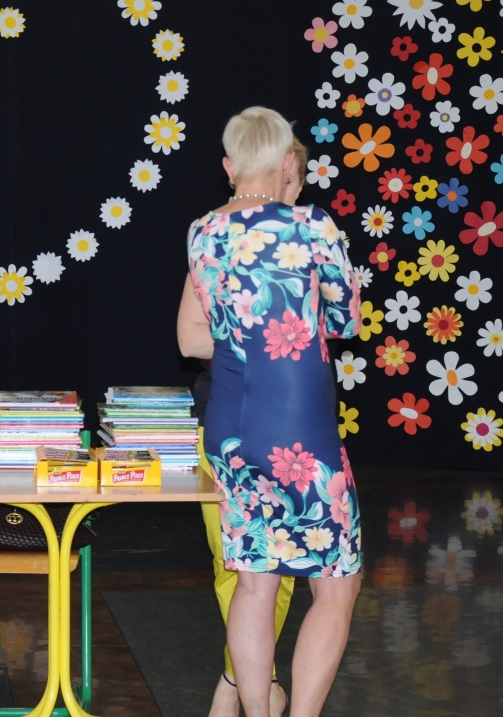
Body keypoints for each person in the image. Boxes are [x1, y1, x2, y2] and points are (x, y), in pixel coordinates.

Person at [179, 107, 362, 717]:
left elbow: (201, 331)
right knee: (335, 585)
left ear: (230, 166)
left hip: (229, 424)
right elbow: (346, 319)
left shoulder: (202, 232)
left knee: (255, 581)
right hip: (298, 425)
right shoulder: (312, 225)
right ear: (288, 163)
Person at [196, 135, 307, 717]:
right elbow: (189, 335)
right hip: (233, 417)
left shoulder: (306, 243)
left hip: (293, 425)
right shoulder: (213, 239)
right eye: (285, 181)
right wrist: (258, 343)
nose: (286, 195)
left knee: (273, 574)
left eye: (294, 186)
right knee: (237, 567)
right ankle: (248, 685)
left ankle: (235, 683)